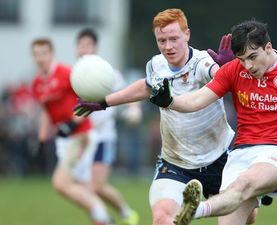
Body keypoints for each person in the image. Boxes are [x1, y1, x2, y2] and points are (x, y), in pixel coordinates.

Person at [149, 20, 277, 225]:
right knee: (234, 210)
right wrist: (170, 101)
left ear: (268, 47)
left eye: (252, 57)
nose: (248, 66)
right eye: (242, 59)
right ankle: (195, 210)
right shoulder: (233, 70)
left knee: (244, 184)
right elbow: (197, 99)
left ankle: (192, 211)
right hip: (241, 152)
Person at [73, 8, 258, 225]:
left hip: (219, 159)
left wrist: (228, 69)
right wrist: (104, 102)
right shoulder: (156, 64)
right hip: (176, 163)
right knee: (162, 218)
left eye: (173, 39)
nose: (168, 46)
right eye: (161, 40)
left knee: (247, 217)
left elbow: (219, 76)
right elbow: (145, 87)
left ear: (187, 34)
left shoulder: (202, 62)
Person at [30, 38, 112, 225]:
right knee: (82, 187)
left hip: (80, 136)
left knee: (61, 183)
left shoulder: (66, 73)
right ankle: (102, 218)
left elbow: (88, 98)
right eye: (36, 54)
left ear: (51, 54)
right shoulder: (37, 83)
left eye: (44, 53)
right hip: (63, 139)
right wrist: (42, 140)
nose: (40, 58)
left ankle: (105, 217)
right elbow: (45, 111)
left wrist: (74, 123)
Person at [75, 28, 141, 225]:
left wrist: (134, 110)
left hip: (104, 137)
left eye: (88, 44)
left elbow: (129, 94)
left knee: (96, 187)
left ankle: (126, 213)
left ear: (95, 47)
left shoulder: (106, 72)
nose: (84, 49)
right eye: (81, 45)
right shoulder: (74, 75)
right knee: (86, 189)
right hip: (82, 140)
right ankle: (104, 221)